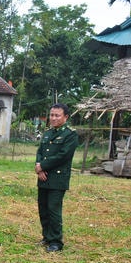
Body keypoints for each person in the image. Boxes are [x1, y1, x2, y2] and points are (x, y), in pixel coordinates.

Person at [34, 103, 79, 252]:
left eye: (57, 115)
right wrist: (38, 167)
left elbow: (63, 156)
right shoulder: (47, 133)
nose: (53, 118)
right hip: (43, 177)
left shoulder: (70, 135)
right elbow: (40, 152)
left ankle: (56, 242)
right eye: (51, 115)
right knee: (43, 209)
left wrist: (43, 166)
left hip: (57, 179)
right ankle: (46, 237)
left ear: (65, 117)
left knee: (53, 209)